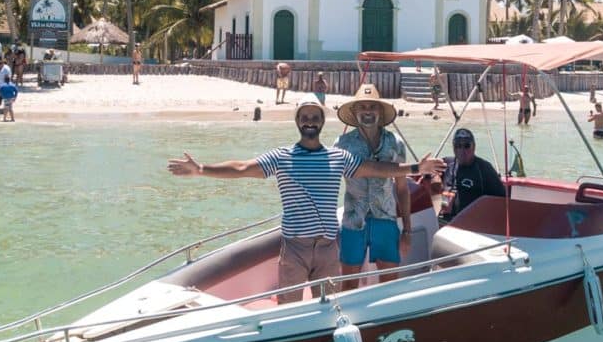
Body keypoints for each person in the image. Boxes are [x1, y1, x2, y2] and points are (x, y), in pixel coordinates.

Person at [168, 96, 445, 303]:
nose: (310, 121)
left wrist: (415, 169)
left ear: (322, 122)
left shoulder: (339, 158)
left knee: (330, 309)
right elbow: (241, 168)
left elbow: (378, 170)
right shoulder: (281, 157)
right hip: (294, 250)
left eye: (315, 117)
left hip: (327, 249)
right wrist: (202, 169)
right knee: (288, 311)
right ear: (298, 122)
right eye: (305, 117)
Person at [335, 84, 411, 290]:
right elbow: (329, 187)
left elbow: (402, 189)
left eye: (372, 106)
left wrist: (407, 232)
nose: (367, 111)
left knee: (390, 284)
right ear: (354, 111)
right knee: (348, 286)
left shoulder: (396, 143)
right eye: (362, 107)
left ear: (380, 111)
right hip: (352, 222)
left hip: (386, 220)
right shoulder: (341, 145)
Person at [440, 128, 506, 220]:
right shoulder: (447, 164)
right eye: (458, 145)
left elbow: (502, 200)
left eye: (467, 146)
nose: (462, 150)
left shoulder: (484, 169)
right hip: (446, 222)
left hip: (473, 225)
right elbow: (428, 172)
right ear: (453, 148)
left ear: (474, 147)